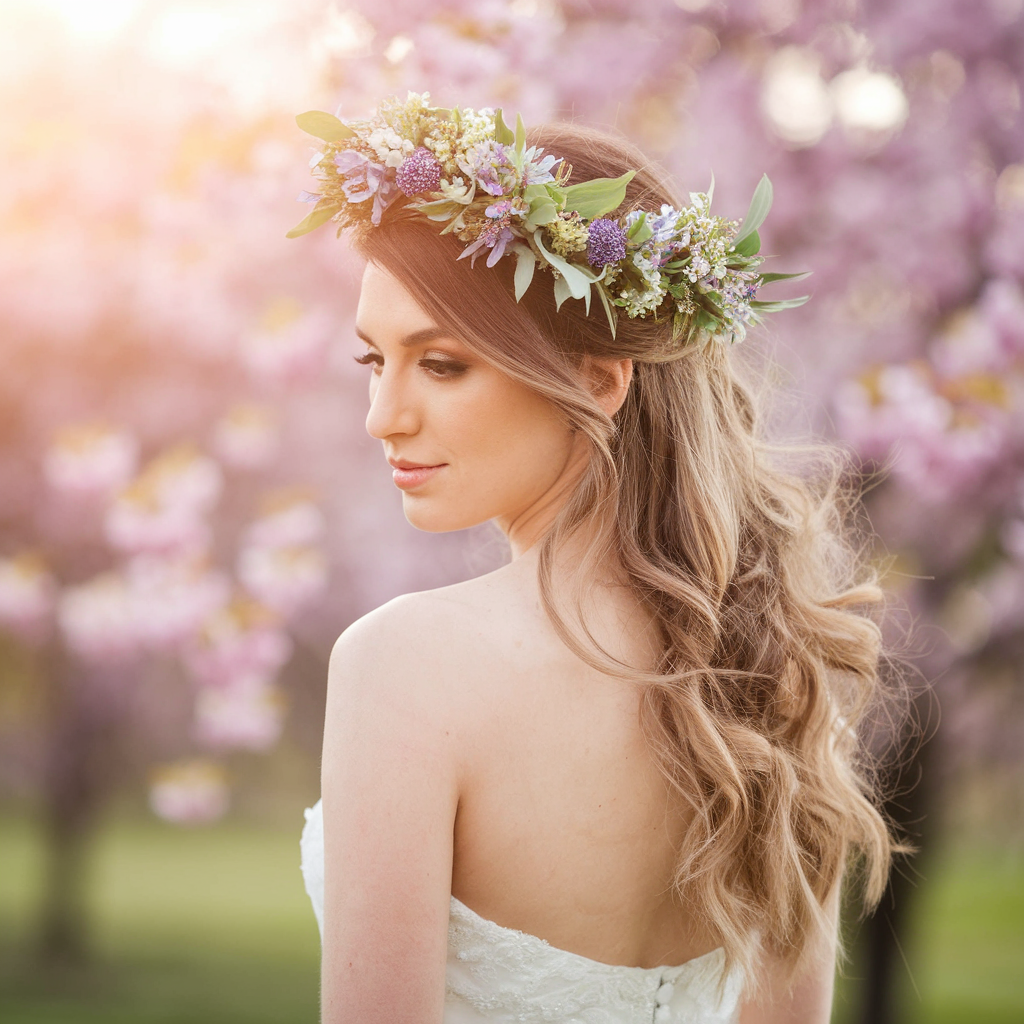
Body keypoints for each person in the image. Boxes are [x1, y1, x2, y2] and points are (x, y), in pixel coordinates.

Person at [295, 93, 904, 1024]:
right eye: (373, 361)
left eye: (443, 363)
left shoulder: (407, 665)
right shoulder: (774, 669)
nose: (385, 417)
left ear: (598, 380)